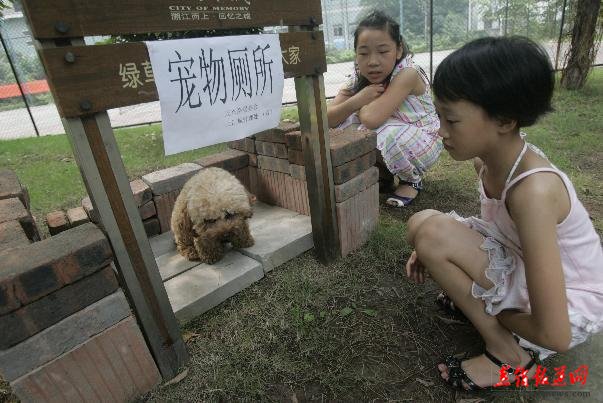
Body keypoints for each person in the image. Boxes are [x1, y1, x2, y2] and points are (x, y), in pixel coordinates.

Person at [405, 36, 603, 391]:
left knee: (433, 235)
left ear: (505, 120)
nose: (441, 131)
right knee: (422, 224)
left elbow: (554, 333)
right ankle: (485, 311)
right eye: (439, 116)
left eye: (451, 119)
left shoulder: (533, 192)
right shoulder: (491, 160)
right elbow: (498, 230)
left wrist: (494, 309)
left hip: (568, 304)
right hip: (525, 264)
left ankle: (508, 358)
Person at [327, 10, 442, 207]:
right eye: (364, 53)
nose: (372, 61)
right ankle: (384, 174)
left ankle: (411, 180)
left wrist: (359, 104)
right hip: (395, 133)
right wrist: (356, 101)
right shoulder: (357, 79)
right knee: (345, 124)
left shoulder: (407, 73)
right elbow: (327, 119)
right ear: (356, 55)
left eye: (382, 51)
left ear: (398, 50)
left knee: (376, 130)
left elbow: (372, 118)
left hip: (424, 139)